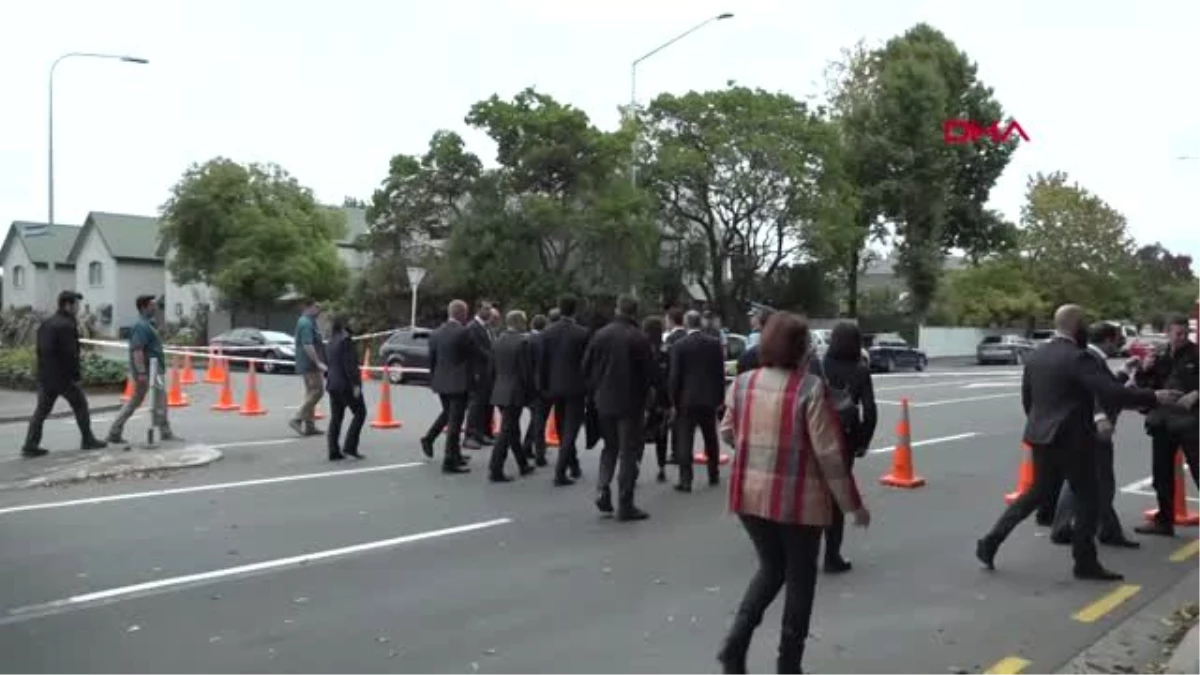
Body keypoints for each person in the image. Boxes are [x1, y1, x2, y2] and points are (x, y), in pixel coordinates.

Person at [716, 312, 869, 675]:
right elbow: (830, 455)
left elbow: (727, 432)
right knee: (800, 582)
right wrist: (852, 506)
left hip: (750, 496)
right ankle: (789, 665)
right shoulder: (809, 389)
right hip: (798, 500)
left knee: (770, 568)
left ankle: (735, 645)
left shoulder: (743, 383)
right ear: (800, 348)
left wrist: (757, 453)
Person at [976, 304, 1175, 581]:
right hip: (1072, 439)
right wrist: (1154, 397)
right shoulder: (1077, 357)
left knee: (1036, 493)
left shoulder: (1037, 355)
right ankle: (1085, 562)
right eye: (1084, 323)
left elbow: (1028, 400)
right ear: (1076, 325)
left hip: (1040, 435)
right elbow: (1109, 392)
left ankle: (990, 541)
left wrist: (1041, 424)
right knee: (1088, 499)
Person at [1048, 321, 1140, 548]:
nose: (1121, 342)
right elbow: (1093, 392)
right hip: (1095, 430)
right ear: (1108, 340)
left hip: (1085, 429)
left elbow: (1104, 387)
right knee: (1103, 482)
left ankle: (1063, 527)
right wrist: (1100, 417)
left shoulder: (1092, 357)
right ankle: (1107, 531)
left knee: (1078, 481)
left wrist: (1123, 372)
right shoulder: (1090, 359)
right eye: (1118, 338)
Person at [583, 295, 659, 521]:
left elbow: (585, 367)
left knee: (609, 447)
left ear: (617, 309)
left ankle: (602, 488)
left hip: (604, 400)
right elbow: (651, 374)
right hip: (630, 402)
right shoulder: (639, 338)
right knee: (628, 452)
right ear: (635, 313)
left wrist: (596, 388)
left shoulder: (600, 335)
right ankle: (625, 503)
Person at [810, 321, 878, 573]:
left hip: (816, 433)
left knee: (812, 492)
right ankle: (832, 556)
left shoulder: (818, 366)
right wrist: (863, 442)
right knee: (836, 495)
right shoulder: (860, 370)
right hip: (845, 439)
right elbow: (870, 411)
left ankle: (806, 551)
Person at [1133, 315, 1200, 537]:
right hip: (1162, 421)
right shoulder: (1159, 354)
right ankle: (1164, 520)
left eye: (1184, 333)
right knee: (1161, 473)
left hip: (1191, 421)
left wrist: (1196, 395)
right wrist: (1144, 368)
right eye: (1176, 333)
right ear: (1167, 332)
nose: (1180, 337)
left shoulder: (1196, 353)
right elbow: (1145, 385)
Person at [22, 291, 106, 457]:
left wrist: (41, 372)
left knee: (41, 411)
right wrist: (76, 376)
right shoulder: (67, 325)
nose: (78, 308)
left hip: (46, 375)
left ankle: (30, 445)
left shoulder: (47, 323)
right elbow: (70, 353)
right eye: (76, 304)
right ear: (68, 305)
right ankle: (88, 439)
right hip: (63, 377)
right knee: (80, 405)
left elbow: (39, 350)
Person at [107, 295, 180, 445]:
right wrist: (141, 372)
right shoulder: (141, 326)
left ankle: (115, 431)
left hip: (153, 369)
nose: (155, 308)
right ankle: (164, 431)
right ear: (143, 307)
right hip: (149, 370)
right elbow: (137, 350)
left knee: (145, 399)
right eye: (152, 305)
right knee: (157, 399)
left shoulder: (148, 324)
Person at [670, 310, 726, 491]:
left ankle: (686, 480)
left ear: (686, 324)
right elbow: (719, 373)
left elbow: (675, 376)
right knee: (710, 437)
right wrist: (720, 397)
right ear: (700, 323)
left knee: (685, 439)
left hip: (687, 398)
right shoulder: (714, 343)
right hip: (708, 398)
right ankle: (713, 473)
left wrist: (674, 399)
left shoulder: (679, 345)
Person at [539, 295, 590, 486]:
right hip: (576, 386)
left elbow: (543, 362)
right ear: (575, 310)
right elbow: (587, 363)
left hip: (554, 386)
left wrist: (543, 385)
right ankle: (561, 470)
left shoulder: (548, 332)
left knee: (561, 426)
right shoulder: (582, 333)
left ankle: (573, 463)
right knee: (571, 429)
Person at [420, 300, 473, 474]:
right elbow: (470, 358)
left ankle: (439, 444)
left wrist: (433, 380)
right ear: (462, 314)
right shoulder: (464, 333)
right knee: (455, 423)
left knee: (449, 416)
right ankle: (449, 460)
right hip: (458, 383)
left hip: (441, 382)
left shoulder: (436, 333)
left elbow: (432, 360)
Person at [489, 310, 536, 482]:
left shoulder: (498, 340)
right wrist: (532, 393)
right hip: (515, 390)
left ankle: (522, 463)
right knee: (507, 430)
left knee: (512, 429)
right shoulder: (523, 343)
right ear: (520, 323)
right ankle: (495, 468)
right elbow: (526, 372)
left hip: (500, 389)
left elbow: (492, 368)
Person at [325, 314, 366, 461]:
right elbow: (350, 366)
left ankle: (333, 449)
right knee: (360, 413)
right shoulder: (346, 341)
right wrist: (355, 384)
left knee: (336, 417)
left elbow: (329, 363)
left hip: (332, 384)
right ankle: (350, 446)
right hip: (345, 384)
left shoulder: (330, 342)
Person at [289, 299, 327, 437]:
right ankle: (297, 418)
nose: (319, 310)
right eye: (317, 307)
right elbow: (307, 344)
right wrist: (318, 362)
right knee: (318, 391)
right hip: (309, 364)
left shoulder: (310, 321)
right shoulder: (305, 323)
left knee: (311, 392)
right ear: (308, 307)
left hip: (308, 363)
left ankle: (309, 426)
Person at [642, 316, 672, 483]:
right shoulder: (665, 352)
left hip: (642, 400)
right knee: (662, 435)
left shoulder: (640, 349)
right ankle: (661, 467)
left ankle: (636, 464)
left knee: (637, 435)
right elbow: (668, 379)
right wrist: (669, 403)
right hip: (660, 400)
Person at [464, 302, 497, 449]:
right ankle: (470, 435)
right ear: (478, 310)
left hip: (489, 372)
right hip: (477, 372)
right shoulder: (472, 327)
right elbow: (477, 349)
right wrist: (493, 357)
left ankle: (484, 432)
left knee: (487, 403)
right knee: (476, 404)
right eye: (486, 309)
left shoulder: (487, 327)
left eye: (490, 309)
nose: (489, 311)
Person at [522, 313, 550, 466]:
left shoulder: (526, 340)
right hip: (538, 387)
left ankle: (527, 445)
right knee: (539, 420)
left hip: (527, 385)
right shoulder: (541, 341)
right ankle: (540, 452)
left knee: (536, 419)